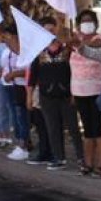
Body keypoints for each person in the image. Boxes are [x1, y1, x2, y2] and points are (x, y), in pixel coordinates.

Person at [28, 16, 85, 170]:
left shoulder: (67, 50)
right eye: (45, 30)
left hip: (67, 95)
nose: (49, 33)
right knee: (53, 127)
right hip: (46, 96)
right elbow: (32, 77)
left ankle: (82, 158)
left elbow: (75, 72)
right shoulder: (38, 53)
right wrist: (29, 96)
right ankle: (59, 157)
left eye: (52, 30)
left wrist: (74, 93)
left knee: (73, 128)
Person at [69, 9, 101, 177]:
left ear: (96, 23)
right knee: (87, 129)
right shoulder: (74, 42)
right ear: (78, 25)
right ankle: (88, 163)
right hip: (79, 92)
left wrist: (79, 43)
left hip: (98, 91)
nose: (86, 24)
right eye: (83, 21)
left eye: (89, 21)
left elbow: (94, 47)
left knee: (99, 128)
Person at [0, 26, 32, 161]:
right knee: (17, 116)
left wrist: (14, 74)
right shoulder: (9, 51)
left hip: (25, 86)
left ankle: (23, 145)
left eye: (8, 36)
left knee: (23, 117)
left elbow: (28, 70)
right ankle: (21, 142)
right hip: (15, 86)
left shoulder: (25, 50)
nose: (6, 39)